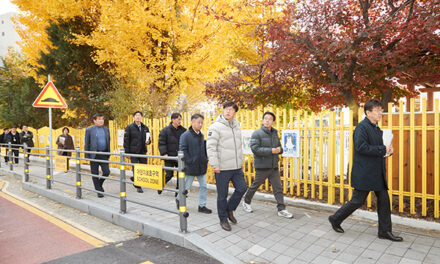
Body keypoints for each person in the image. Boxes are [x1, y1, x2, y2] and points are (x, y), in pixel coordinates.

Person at [328, 100, 403, 242]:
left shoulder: (376, 128)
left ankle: (385, 231)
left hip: (377, 172)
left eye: (381, 110)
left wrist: (388, 151)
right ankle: (335, 218)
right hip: (365, 172)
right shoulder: (362, 128)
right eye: (377, 110)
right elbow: (361, 147)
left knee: (384, 201)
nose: (380, 113)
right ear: (368, 112)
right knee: (357, 200)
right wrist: (382, 149)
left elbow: (378, 148)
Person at [242, 112, 293, 218]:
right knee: (255, 186)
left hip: (273, 166)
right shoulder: (257, 133)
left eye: (270, 119)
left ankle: (281, 209)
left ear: (273, 122)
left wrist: (280, 150)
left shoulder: (275, 133)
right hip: (262, 166)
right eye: (265, 118)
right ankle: (246, 202)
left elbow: (279, 147)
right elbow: (255, 149)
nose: (267, 120)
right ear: (262, 120)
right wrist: (271, 151)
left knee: (278, 188)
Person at [207, 101, 246, 231]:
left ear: (235, 113)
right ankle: (223, 219)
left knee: (241, 188)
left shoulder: (237, 126)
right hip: (222, 168)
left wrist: (240, 161)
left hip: (236, 167)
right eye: (226, 109)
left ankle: (229, 209)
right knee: (222, 195)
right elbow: (211, 147)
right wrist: (214, 164)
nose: (228, 111)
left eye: (231, 110)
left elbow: (239, 146)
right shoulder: (215, 127)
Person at [179, 114, 212, 214]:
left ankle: (202, 206)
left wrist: (205, 159)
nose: (201, 124)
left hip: (201, 166)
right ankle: (178, 199)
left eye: (202, 122)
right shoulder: (185, 135)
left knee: (204, 186)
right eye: (199, 122)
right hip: (191, 166)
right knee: (186, 186)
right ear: (192, 122)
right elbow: (183, 150)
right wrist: (190, 161)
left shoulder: (201, 135)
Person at [158, 113, 186, 195]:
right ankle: (160, 185)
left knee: (180, 175)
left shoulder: (183, 131)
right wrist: (164, 153)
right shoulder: (165, 130)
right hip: (169, 156)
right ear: (173, 120)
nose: (179, 121)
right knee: (169, 174)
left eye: (180, 119)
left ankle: (178, 192)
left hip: (180, 157)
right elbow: (161, 143)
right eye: (178, 119)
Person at [123, 111, 151, 193]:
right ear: (134, 117)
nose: (138, 117)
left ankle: (134, 179)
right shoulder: (129, 127)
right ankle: (138, 186)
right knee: (135, 168)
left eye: (139, 116)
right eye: (136, 115)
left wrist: (148, 142)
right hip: (133, 152)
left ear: (142, 117)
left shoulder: (145, 128)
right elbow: (126, 140)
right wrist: (127, 152)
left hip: (142, 151)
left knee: (143, 168)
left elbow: (149, 139)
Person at [84, 114, 110, 198]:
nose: (101, 120)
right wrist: (87, 156)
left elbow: (108, 141)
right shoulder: (89, 130)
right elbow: (87, 143)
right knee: (95, 174)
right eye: (99, 119)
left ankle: (99, 184)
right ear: (94, 120)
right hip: (94, 155)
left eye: (102, 119)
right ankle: (99, 191)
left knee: (106, 172)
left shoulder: (106, 129)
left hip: (104, 154)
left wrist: (108, 152)